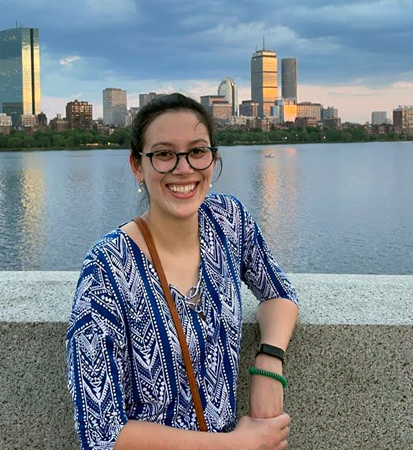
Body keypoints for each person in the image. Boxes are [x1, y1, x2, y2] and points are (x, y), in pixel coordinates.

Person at [66, 93, 300, 450]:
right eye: (163, 154)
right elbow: (101, 435)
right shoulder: (107, 268)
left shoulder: (227, 220)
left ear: (213, 158)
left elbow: (278, 293)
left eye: (197, 151)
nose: (183, 168)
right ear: (136, 166)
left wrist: (269, 365)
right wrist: (236, 446)